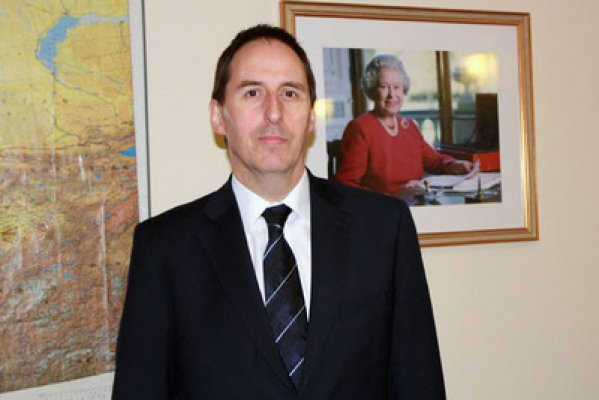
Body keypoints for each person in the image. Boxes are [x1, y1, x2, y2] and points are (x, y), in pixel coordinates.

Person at [112, 25, 445, 399]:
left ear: (311, 117)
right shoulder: (164, 249)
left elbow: (418, 381)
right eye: (252, 93)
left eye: (290, 93)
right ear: (218, 116)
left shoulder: (383, 228)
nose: (274, 112)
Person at [335, 54, 472, 197]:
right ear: (372, 90)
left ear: (403, 89)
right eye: (384, 87)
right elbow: (345, 184)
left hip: (415, 202)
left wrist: (455, 165)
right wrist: (394, 196)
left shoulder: (409, 126)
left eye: (397, 87)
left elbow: (434, 161)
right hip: (381, 207)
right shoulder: (360, 128)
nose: (392, 95)